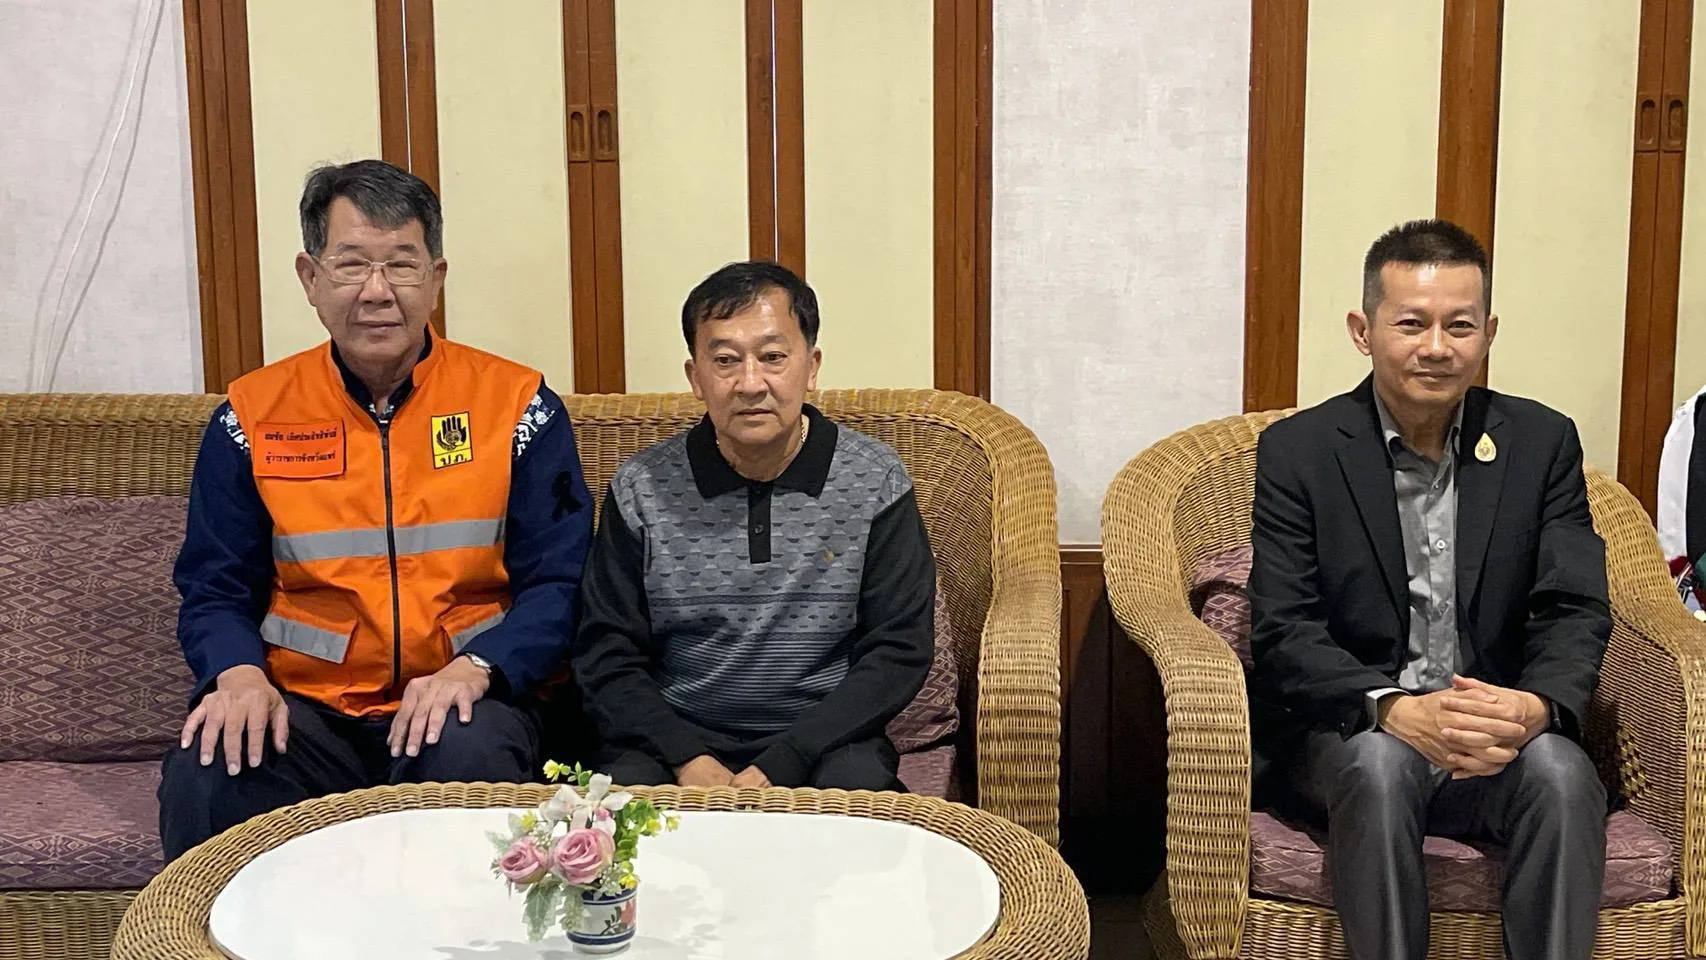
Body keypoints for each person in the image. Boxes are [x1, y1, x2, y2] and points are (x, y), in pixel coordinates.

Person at [158, 160, 594, 860]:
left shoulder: (518, 407)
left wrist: (479, 668)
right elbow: (214, 586)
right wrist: (236, 673)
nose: (378, 290)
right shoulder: (251, 416)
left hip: (464, 697)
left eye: (402, 264)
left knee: (471, 752)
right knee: (210, 766)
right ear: (310, 277)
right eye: (352, 264)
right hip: (306, 709)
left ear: (437, 278)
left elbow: (561, 582)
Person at [1247, 219, 1611, 960]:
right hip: (1354, 735)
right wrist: (1393, 709)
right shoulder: (1300, 452)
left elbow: (1573, 605)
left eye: (1460, 325)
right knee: (1380, 766)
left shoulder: (1541, 443)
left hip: (1495, 735)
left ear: (1489, 333)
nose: (1438, 347)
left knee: (1563, 772)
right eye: (1412, 324)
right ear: (1364, 331)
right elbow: (1285, 627)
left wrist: (1535, 706)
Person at [568, 261, 933, 791]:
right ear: (696, 378)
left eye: (773, 357)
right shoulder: (641, 487)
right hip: (673, 741)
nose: (750, 383)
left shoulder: (875, 478)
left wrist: (786, 761)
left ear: (811, 367)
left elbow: (898, 649)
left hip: (824, 739)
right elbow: (606, 653)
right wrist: (687, 758)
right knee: (621, 817)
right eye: (725, 360)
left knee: (859, 807)